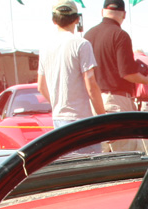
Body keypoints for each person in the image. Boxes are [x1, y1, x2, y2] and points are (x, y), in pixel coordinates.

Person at [84, 0, 148, 153]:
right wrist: (145, 79)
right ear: (124, 14)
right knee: (126, 155)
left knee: (99, 156)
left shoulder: (88, 35)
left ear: (102, 12)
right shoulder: (120, 35)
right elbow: (127, 73)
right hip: (116, 102)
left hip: (93, 102)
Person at [37, 0, 105, 138]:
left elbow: (41, 87)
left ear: (53, 20)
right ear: (77, 19)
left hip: (58, 118)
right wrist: (103, 118)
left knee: (68, 159)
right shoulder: (82, 44)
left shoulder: (45, 47)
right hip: (81, 118)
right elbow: (90, 84)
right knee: (91, 159)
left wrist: (58, 102)